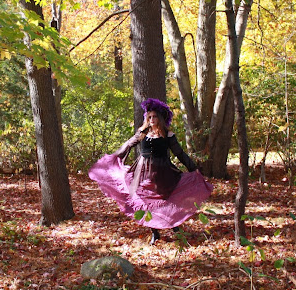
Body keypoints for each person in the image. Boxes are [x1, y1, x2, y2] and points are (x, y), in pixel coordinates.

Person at [89, 98, 213, 244]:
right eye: (149, 117)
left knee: (165, 200)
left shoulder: (168, 135)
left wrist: (193, 168)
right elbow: (128, 145)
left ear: (160, 118)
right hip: (143, 172)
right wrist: (114, 157)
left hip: (163, 172)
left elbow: (179, 153)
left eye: (154, 117)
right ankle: (155, 233)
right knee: (146, 201)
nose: (152, 119)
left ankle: (174, 225)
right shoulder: (143, 132)